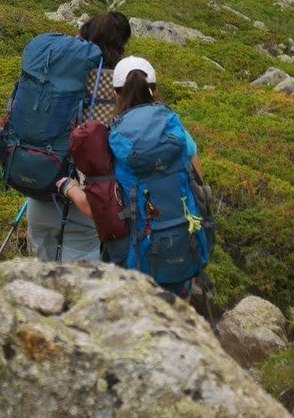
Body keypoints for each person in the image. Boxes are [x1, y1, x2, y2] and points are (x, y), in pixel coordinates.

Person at [57, 54, 212, 297]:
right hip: (185, 252)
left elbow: (98, 209)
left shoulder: (110, 142)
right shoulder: (178, 133)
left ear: (116, 94)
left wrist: (69, 188)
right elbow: (200, 189)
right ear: (155, 90)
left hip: (136, 266)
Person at [24, 12, 130, 265]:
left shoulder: (55, 78)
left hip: (40, 189)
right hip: (85, 202)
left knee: (42, 280)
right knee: (79, 284)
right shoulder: (118, 87)